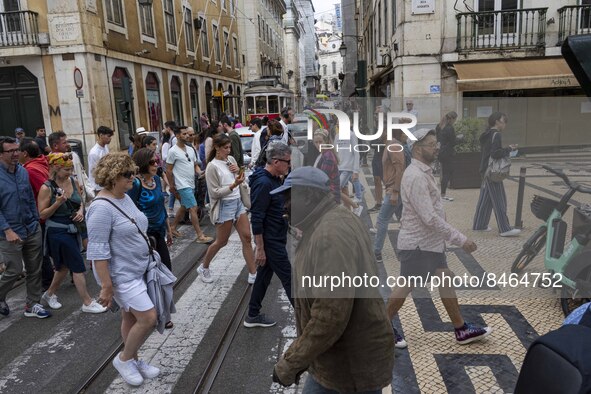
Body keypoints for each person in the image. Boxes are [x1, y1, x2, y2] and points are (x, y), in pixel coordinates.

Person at [271, 167, 394, 392]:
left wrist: (291, 363)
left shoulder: (330, 234)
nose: (284, 205)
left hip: (349, 364)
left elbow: (330, 313)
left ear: (308, 195)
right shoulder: (333, 219)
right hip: (340, 358)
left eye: (288, 198)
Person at [386, 129, 492, 347]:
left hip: (430, 244)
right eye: (432, 144)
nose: (436, 148)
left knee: (445, 278)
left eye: (436, 144)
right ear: (417, 149)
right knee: (406, 286)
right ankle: (380, 327)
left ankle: (461, 330)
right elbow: (429, 218)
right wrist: (461, 239)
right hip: (417, 245)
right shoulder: (415, 176)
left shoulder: (423, 172)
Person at [87, 153, 161, 386]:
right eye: (128, 175)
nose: (133, 178)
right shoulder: (101, 208)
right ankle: (124, 358)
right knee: (148, 317)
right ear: (112, 177)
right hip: (121, 275)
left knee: (129, 317)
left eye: (133, 173)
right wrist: (107, 286)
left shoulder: (123, 196)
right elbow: (98, 252)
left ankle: (134, 361)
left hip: (137, 268)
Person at [37, 153, 107, 313]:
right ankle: (87, 302)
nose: (69, 172)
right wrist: (57, 203)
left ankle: (49, 294)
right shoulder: (46, 187)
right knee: (77, 265)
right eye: (66, 169)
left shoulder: (73, 181)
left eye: (71, 168)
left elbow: (80, 203)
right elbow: (42, 214)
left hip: (76, 227)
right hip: (58, 231)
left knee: (62, 267)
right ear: (55, 167)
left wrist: (81, 211)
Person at [0, 136, 50, 318]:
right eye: (10, 151)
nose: (16, 154)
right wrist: (7, 230)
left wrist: (35, 219)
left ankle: (33, 304)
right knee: (13, 270)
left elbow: (29, 197)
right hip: (9, 232)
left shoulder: (22, 172)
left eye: (17, 150)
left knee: (34, 268)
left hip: (31, 227)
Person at [245, 142, 293, 327]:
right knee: (290, 279)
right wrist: (260, 248)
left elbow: (275, 210)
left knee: (263, 277)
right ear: (275, 161)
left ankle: (252, 314)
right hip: (271, 241)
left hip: (276, 237)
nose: (289, 165)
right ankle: (309, 320)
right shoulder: (264, 183)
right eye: (287, 162)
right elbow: (257, 217)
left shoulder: (274, 179)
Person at [199, 134, 256, 283]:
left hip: (238, 202)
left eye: (229, 147)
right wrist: (233, 185)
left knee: (247, 238)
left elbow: (240, 178)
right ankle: (204, 267)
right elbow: (214, 193)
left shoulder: (230, 160)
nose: (228, 151)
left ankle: (253, 273)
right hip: (224, 206)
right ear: (217, 148)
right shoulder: (211, 167)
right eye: (225, 148)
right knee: (221, 242)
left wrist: (238, 171)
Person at [128, 148, 174, 330]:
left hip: (159, 232)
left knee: (165, 271)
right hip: (143, 236)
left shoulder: (156, 180)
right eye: (153, 162)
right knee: (147, 274)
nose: (157, 165)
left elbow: (161, 206)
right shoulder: (136, 184)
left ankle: (162, 311)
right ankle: (149, 312)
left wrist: (169, 229)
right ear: (143, 164)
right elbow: (129, 210)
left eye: (157, 161)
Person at [472, 112, 520, 237]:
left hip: (485, 169)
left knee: (486, 198)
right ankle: (504, 228)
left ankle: (479, 225)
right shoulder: (496, 134)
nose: (505, 124)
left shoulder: (486, 134)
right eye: (504, 121)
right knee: (499, 199)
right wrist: (509, 148)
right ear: (497, 121)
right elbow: (495, 153)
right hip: (492, 171)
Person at [166, 126, 212, 243]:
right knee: (193, 207)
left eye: (188, 133)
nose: (187, 136)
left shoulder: (190, 149)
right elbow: (169, 170)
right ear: (177, 136)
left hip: (191, 183)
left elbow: (195, 165)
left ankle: (172, 227)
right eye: (184, 134)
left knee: (184, 206)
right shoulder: (172, 151)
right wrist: (172, 186)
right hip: (182, 184)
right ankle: (200, 235)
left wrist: (201, 173)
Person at [19, 139, 53, 289]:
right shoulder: (42, 163)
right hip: (46, 213)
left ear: (24, 153)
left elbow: (42, 191)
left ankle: (48, 282)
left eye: (17, 151)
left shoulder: (30, 170)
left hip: (41, 216)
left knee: (42, 251)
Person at [374, 129, 407, 265]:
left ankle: (376, 252)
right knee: (404, 220)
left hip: (394, 189)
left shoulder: (393, 146)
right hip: (394, 188)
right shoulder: (390, 145)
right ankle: (408, 249)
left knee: (382, 220)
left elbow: (400, 169)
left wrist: (395, 191)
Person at [48, 131, 93, 202]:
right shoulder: (49, 162)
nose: (68, 144)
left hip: (79, 198)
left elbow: (81, 175)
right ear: (55, 146)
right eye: (64, 143)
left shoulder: (73, 156)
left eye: (67, 142)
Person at [312, 129, 340, 203]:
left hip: (331, 197)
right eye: (316, 142)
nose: (318, 145)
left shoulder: (328, 157)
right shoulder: (324, 154)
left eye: (320, 142)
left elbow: (322, 177)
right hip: (328, 194)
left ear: (326, 141)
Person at [436, 111, 458, 201]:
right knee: (447, 173)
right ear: (452, 119)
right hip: (448, 153)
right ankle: (443, 194)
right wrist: (460, 139)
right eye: (455, 119)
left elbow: (438, 138)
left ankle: (442, 193)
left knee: (444, 172)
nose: (454, 121)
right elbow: (453, 142)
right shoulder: (449, 128)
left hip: (441, 152)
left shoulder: (439, 126)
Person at [88, 126, 113, 195]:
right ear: (101, 135)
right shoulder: (94, 153)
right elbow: (94, 171)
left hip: (106, 183)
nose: (110, 138)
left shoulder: (105, 147)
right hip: (98, 186)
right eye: (108, 136)